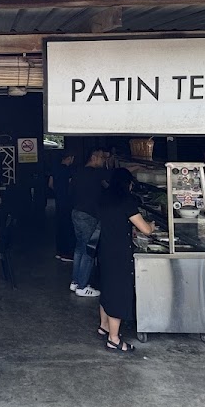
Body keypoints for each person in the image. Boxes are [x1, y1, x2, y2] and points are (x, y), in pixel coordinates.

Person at [95, 168, 154, 354]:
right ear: (127, 184)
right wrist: (152, 226)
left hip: (104, 249)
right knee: (118, 293)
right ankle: (114, 339)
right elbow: (146, 229)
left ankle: (104, 326)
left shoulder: (104, 198)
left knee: (107, 287)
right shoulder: (126, 201)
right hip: (119, 253)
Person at [70, 150, 109, 297]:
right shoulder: (95, 173)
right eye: (102, 158)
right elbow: (117, 174)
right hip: (89, 215)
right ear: (93, 158)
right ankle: (82, 286)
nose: (103, 160)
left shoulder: (77, 172)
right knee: (89, 251)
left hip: (76, 212)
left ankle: (75, 281)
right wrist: (137, 167)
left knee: (80, 248)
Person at [50, 153, 76, 262]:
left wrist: (58, 192)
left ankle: (59, 251)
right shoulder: (69, 171)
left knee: (59, 226)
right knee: (68, 226)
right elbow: (71, 185)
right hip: (67, 201)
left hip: (58, 200)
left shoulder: (54, 169)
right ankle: (67, 253)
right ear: (69, 158)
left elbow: (50, 184)